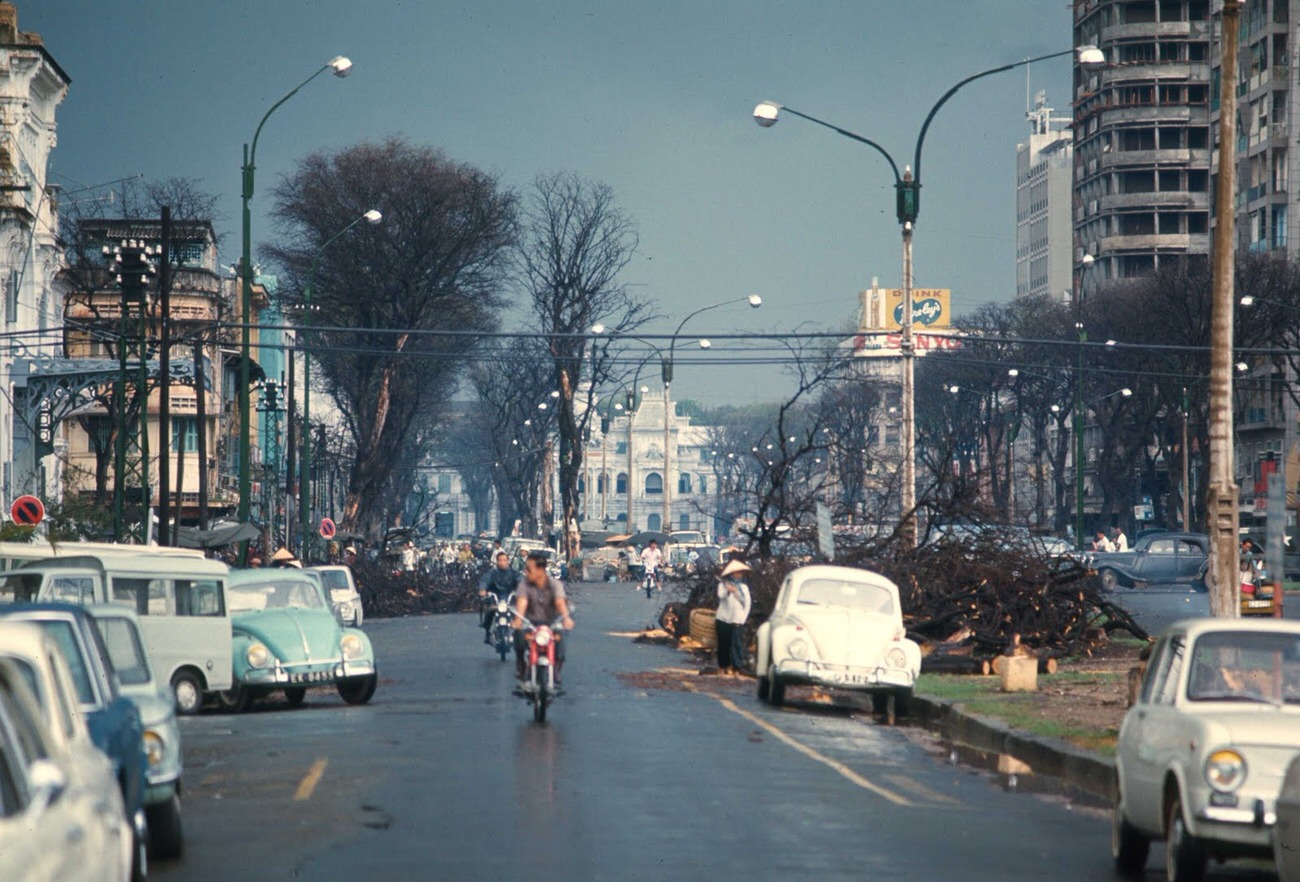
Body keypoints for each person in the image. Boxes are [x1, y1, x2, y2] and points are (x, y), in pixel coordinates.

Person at [513, 551, 575, 683]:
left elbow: (560, 602)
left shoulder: (555, 585)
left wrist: (566, 617)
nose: (526, 572)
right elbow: (522, 602)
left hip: (552, 623)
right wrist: (518, 619)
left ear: (541, 569)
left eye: (529, 569)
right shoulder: (524, 585)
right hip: (530, 622)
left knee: (561, 640)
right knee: (519, 635)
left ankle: (556, 669)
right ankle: (521, 663)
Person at [715, 560, 752, 677]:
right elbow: (721, 596)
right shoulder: (722, 585)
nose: (738, 575)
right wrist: (728, 590)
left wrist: (743, 619)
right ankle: (723, 666)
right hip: (723, 618)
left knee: (737, 644)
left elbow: (747, 604)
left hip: (737, 619)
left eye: (740, 573)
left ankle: (737, 667)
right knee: (723, 644)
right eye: (736, 573)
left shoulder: (744, 588)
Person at [478, 551, 519, 644]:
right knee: (489, 612)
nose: (502, 562)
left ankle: (519, 636)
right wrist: (483, 589)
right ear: (496, 562)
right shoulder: (492, 573)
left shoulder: (513, 573)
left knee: (519, 615)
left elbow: (521, 580)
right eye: (500, 560)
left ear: (508, 561)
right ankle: (487, 633)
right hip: (495, 599)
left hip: (510, 599)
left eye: (504, 560)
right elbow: (485, 580)